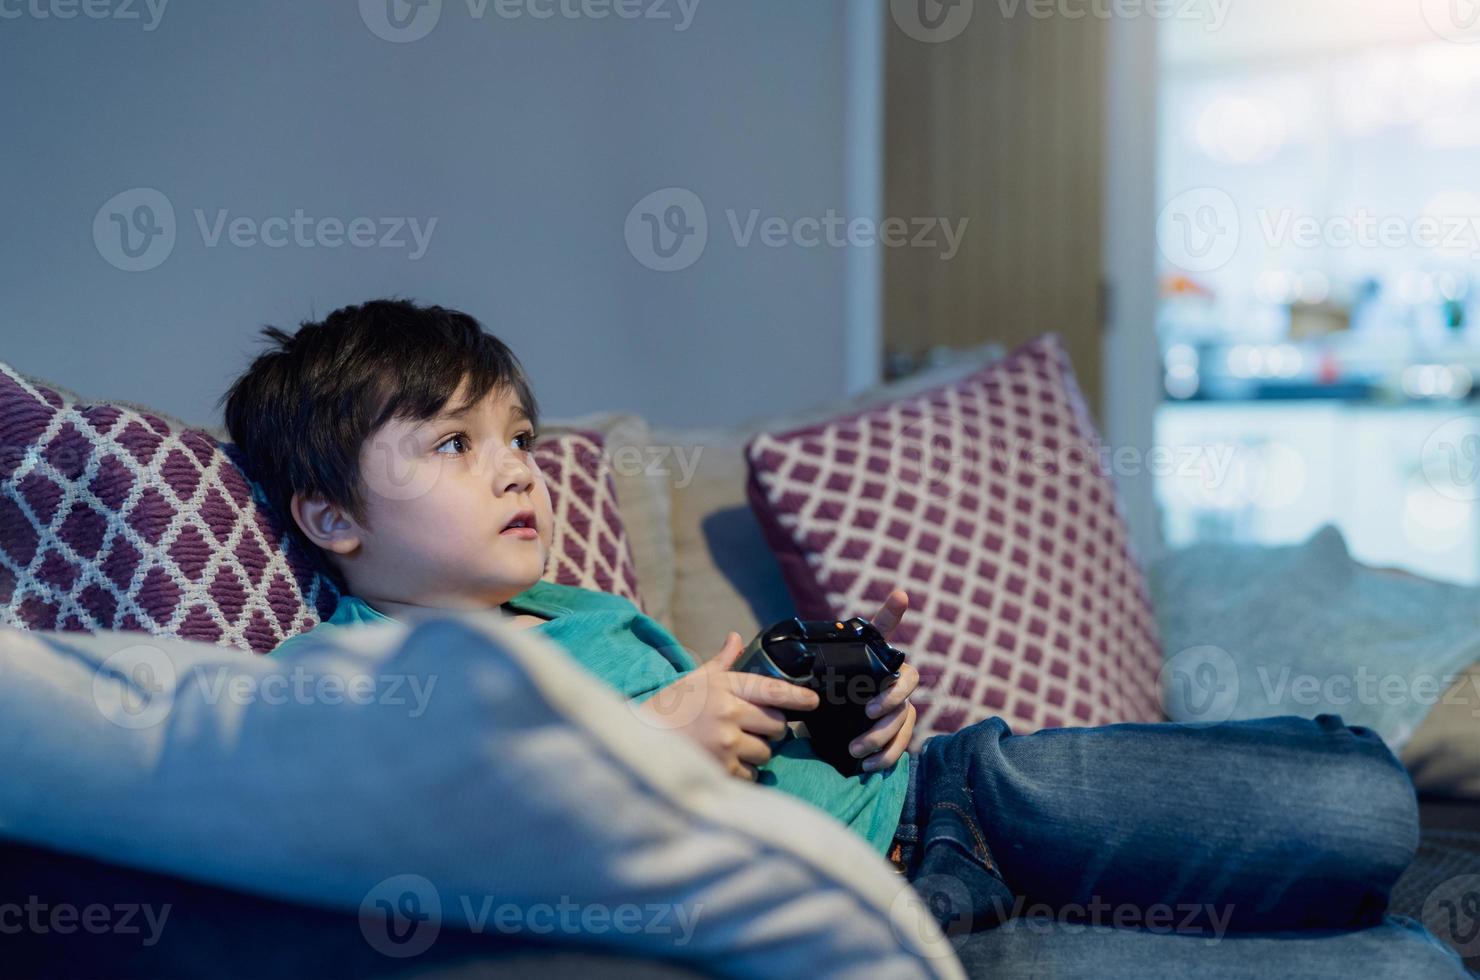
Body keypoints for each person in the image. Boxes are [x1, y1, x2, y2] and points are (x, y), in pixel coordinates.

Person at [227, 299, 1461, 970]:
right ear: (328, 514)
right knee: (1402, 967)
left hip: (958, 795)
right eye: (455, 444)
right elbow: (397, 834)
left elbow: (735, 732)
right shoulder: (344, 673)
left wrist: (833, 700)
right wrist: (646, 734)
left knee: (1369, 804)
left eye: (519, 439)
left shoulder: (578, 607)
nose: (517, 473)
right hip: (877, 927)